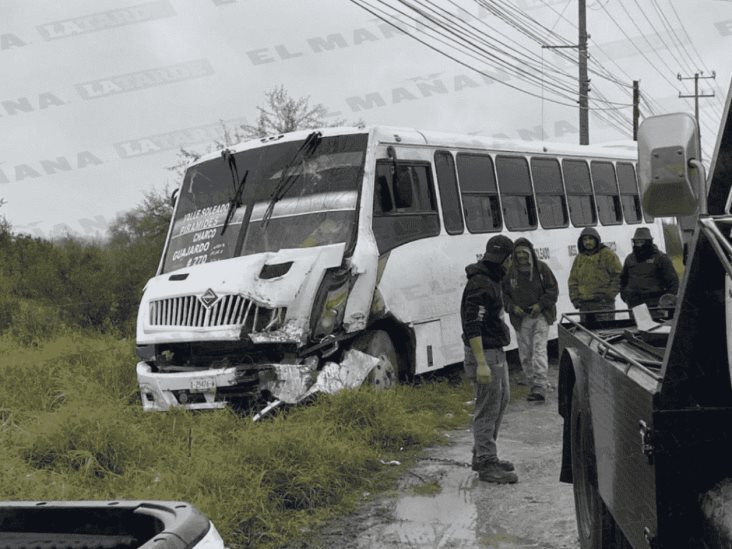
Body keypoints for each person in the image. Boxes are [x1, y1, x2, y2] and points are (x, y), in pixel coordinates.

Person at [460, 234, 518, 484]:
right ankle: (486, 462)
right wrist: (481, 362)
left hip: (495, 351)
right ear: (507, 259)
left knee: (501, 400)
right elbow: (472, 324)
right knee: (488, 407)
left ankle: (483, 453)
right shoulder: (481, 284)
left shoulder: (492, 279)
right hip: (485, 353)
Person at [503, 238, 559, 403]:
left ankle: (540, 385)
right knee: (525, 354)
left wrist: (540, 305)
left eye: (524, 252)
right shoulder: (509, 273)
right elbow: (503, 295)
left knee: (539, 350)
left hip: (540, 316)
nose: (521, 256)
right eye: (518, 253)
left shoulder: (542, 269)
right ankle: (532, 383)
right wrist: (513, 307)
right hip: (521, 319)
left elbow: (553, 290)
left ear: (530, 253)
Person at [620, 227, 679, 319]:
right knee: (636, 328)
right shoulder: (630, 258)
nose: (639, 245)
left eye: (641, 242)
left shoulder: (661, 258)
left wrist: (667, 301)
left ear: (648, 242)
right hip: (634, 302)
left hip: (655, 303)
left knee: (656, 327)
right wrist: (625, 295)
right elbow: (623, 279)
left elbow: (673, 281)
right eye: (636, 242)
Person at [568, 227, 622, 325]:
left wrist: (608, 295)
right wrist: (575, 298)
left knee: (605, 334)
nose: (587, 242)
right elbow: (573, 281)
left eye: (590, 239)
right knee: (587, 336)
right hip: (584, 306)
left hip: (603, 305)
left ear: (596, 240)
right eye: (585, 239)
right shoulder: (579, 258)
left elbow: (618, 277)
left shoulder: (608, 255)